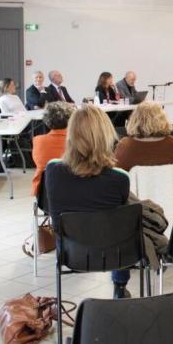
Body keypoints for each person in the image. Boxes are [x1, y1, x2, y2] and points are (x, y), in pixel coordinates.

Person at [45, 105, 132, 299]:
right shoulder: (120, 178)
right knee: (124, 228)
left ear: (71, 134)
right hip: (113, 254)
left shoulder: (52, 171)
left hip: (71, 252)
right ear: (106, 135)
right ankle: (120, 285)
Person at [115, 101, 173, 172]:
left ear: (134, 119)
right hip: (165, 183)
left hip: (134, 183)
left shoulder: (124, 145)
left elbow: (119, 174)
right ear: (162, 119)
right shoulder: (172, 144)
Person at [31, 101, 74, 195]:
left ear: (47, 121)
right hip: (75, 192)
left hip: (45, 195)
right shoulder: (79, 142)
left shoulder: (38, 141)